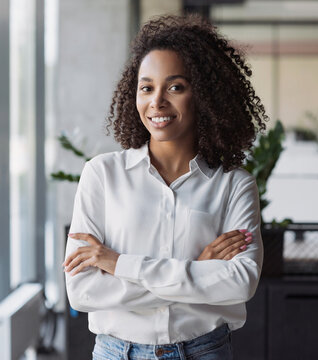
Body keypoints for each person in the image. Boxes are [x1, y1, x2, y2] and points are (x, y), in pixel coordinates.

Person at [63, 14, 267, 359]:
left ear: (203, 95)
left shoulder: (234, 185)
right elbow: (82, 292)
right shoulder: (102, 175)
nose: (157, 101)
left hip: (205, 351)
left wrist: (119, 264)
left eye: (175, 87)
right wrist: (198, 269)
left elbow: (240, 282)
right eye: (147, 87)